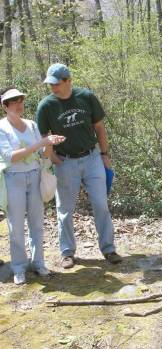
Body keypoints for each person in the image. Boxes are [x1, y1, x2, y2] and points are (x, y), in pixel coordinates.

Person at [36, 63, 122, 269]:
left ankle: (109, 249)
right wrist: (54, 158)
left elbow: (99, 127)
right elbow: (43, 137)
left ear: (68, 81)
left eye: (57, 84)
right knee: (65, 209)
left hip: (92, 158)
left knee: (101, 204)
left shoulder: (86, 97)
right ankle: (67, 253)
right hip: (66, 162)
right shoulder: (46, 106)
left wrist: (104, 155)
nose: (53, 88)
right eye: (50, 84)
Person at [0, 87, 65, 285]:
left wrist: (50, 143)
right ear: (5, 106)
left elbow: (43, 155)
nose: (19, 105)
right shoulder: (2, 128)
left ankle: (39, 263)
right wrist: (40, 144)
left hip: (35, 176)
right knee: (16, 226)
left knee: (37, 223)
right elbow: (9, 157)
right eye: (13, 102)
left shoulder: (32, 125)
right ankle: (19, 267)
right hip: (14, 179)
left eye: (20, 100)